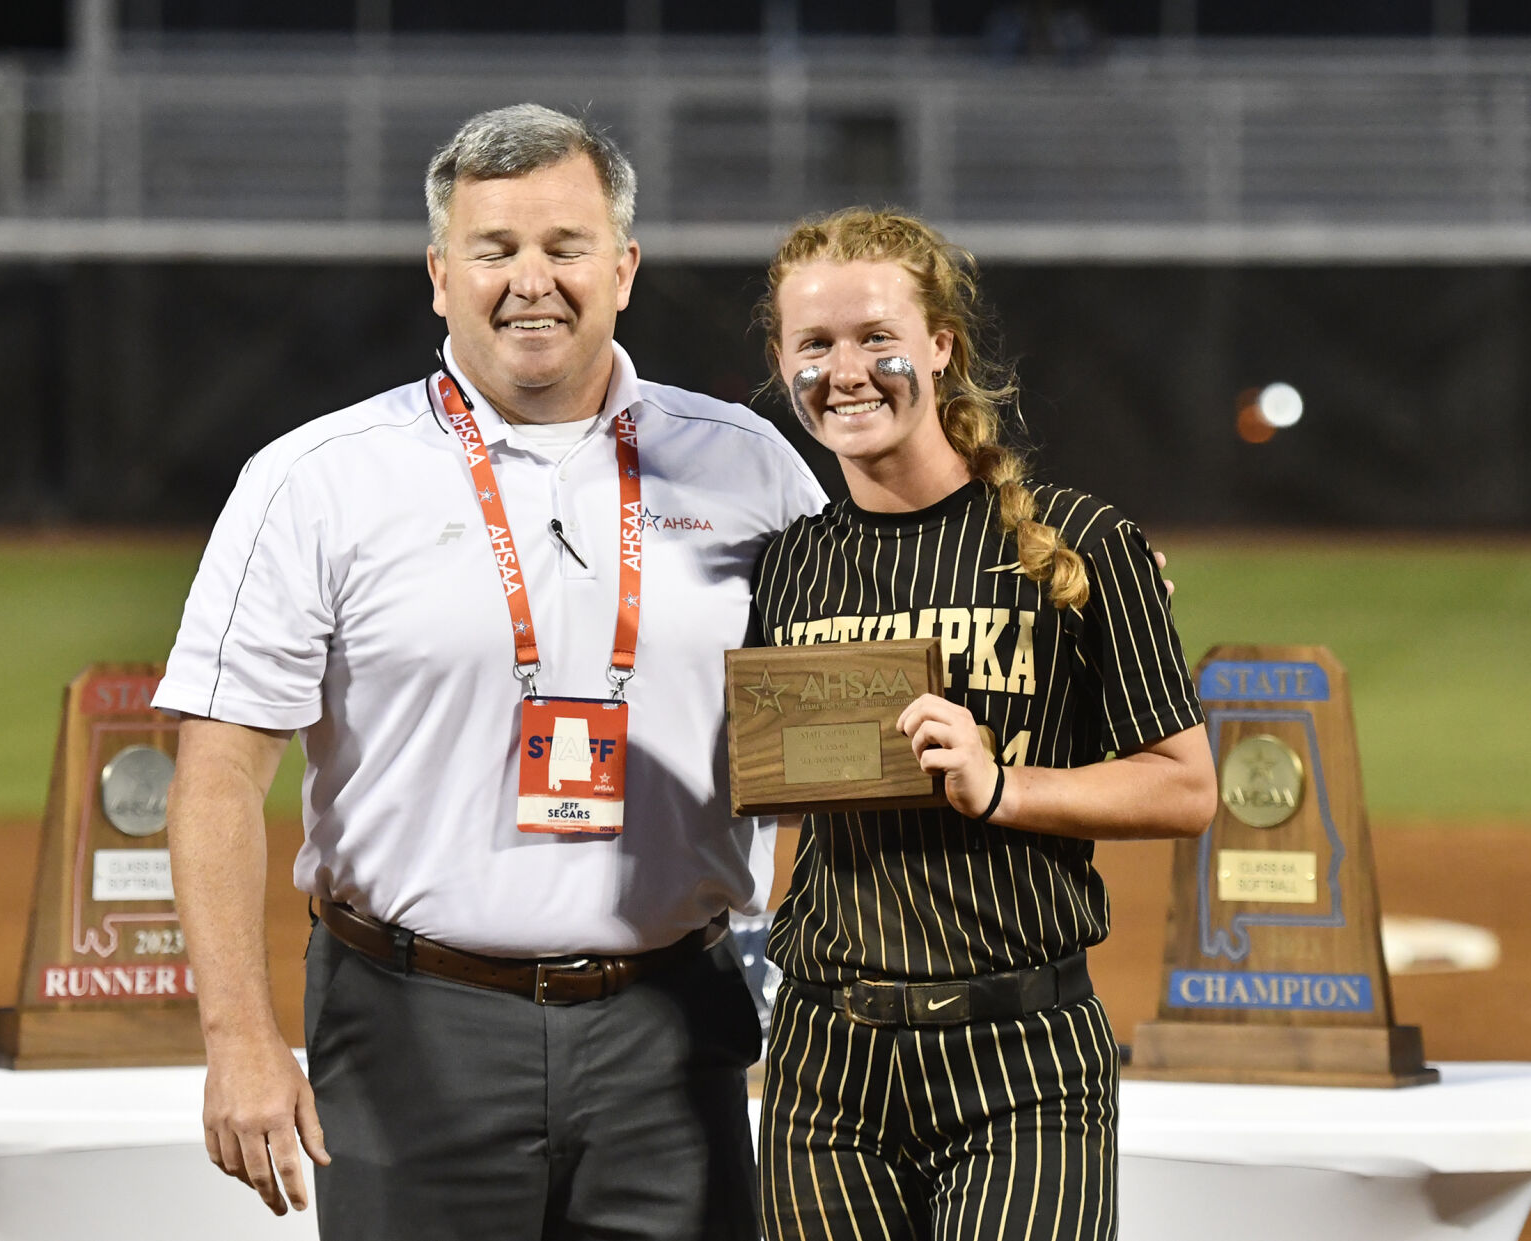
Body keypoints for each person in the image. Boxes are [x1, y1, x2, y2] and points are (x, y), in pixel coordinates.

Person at [152, 103, 826, 1241]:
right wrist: (238, 1036)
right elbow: (217, 777)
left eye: (565, 248)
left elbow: (851, 698)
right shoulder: (316, 480)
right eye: (494, 249)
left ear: (624, 267)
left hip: (674, 1027)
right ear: (437, 273)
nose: (531, 281)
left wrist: (1050, 581)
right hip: (409, 1021)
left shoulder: (751, 466)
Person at [749, 208, 1218, 1240]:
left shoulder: (1081, 541)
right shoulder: (787, 563)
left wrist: (1003, 783)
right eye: (814, 345)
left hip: (1023, 1059)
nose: (849, 370)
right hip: (825, 1065)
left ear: (941, 347)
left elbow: (1186, 783)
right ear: (783, 363)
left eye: (879, 337)